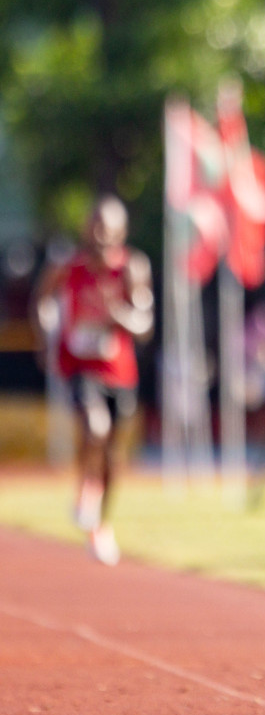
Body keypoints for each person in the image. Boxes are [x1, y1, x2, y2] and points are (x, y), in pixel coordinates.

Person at [31, 195, 154, 565]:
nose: (100, 233)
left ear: (121, 231)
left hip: (118, 370)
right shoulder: (67, 266)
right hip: (78, 364)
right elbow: (42, 299)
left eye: (108, 226)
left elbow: (144, 324)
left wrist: (119, 317)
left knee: (114, 455)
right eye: (95, 225)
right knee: (94, 427)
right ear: (86, 228)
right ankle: (85, 490)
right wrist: (46, 337)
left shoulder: (132, 267)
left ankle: (100, 523)